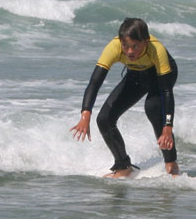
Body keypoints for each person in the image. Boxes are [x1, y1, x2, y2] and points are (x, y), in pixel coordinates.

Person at [70, 18, 179, 178]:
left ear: (146, 42)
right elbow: (95, 82)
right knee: (104, 119)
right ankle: (123, 166)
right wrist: (85, 114)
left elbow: (167, 91)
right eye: (125, 46)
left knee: (153, 107)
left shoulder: (157, 49)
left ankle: (171, 163)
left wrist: (168, 127)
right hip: (136, 75)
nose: (129, 52)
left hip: (161, 77)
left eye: (135, 46)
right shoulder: (113, 47)